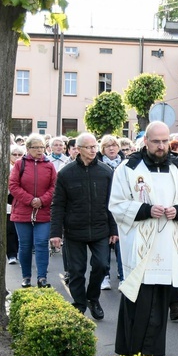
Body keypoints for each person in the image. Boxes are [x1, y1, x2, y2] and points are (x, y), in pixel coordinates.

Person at [109, 122, 178, 356]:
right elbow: (116, 205)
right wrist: (146, 210)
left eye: (164, 141)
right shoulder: (128, 168)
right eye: (156, 141)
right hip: (140, 242)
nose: (161, 146)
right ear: (145, 141)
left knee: (160, 298)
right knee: (137, 295)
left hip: (167, 243)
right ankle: (131, 349)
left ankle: (154, 350)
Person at [49, 132, 117, 320]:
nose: (93, 150)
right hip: (74, 230)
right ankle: (79, 303)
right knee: (76, 271)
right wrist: (56, 233)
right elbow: (58, 204)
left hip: (100, 229)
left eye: (95, 146)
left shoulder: (105, 171)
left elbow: (112, 203)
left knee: (102, 265)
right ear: (78, 150)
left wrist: (114, 229)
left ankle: (93, 298)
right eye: (89, 147)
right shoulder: (66, 173)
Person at [9, 134, 57, 288]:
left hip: (43, 211)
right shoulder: (19, 164)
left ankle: (42, 277)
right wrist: (30, 200)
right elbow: (13, 185)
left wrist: (42, 200)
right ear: (28, 148)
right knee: (25, 245)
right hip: (22, 210)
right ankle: (26, 277)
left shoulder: (49, 165)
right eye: (35, 147)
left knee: (42, 243)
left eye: (42, 147)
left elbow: (55, 186)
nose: (39, 150)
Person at [97, 135, 126, 290]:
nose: (112, 148)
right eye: (108, 146)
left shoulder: (126, 164)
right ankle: (105, 277)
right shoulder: (98, 164)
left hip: (121, 211)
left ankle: (123, 277)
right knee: (104, 246)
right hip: (103, 210)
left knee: (121, 246)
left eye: (114, 145)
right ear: (103, 149)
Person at [6, 145, 24, 265]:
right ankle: (12, 254)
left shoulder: (26, 166)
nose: (17, 157)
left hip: (22, 200)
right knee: (10, 228)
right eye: (14, 154)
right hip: (8, 200)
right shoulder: (6, 167)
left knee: (21, 230)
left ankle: (21, 253)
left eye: (19, 154)